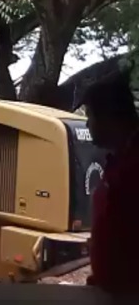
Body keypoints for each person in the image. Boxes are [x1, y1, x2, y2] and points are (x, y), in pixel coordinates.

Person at [79, 69, 139, 294]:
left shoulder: (133, 168)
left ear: (110, 118)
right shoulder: (120, 159)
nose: (87, 125)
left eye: (90, 116)